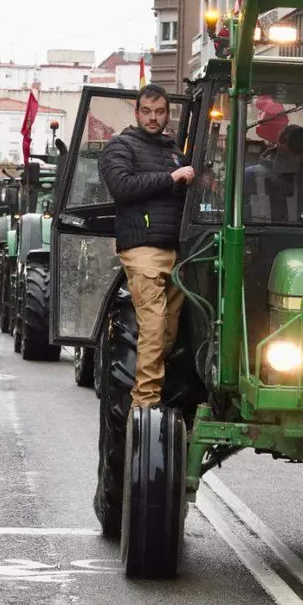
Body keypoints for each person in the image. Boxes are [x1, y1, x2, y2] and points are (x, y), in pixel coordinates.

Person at [98, 83, 192, 410]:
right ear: (137, 113)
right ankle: (144, 404)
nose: (153, 118)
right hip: (142, 249)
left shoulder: (173, 151)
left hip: (175, 251)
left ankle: (154, 396)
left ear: (168, 114)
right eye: (147, 111)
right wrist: (172, 178)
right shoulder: (121, 146)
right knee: (152, 327)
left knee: (168, 331)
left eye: (160, 112)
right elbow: (122, 186)